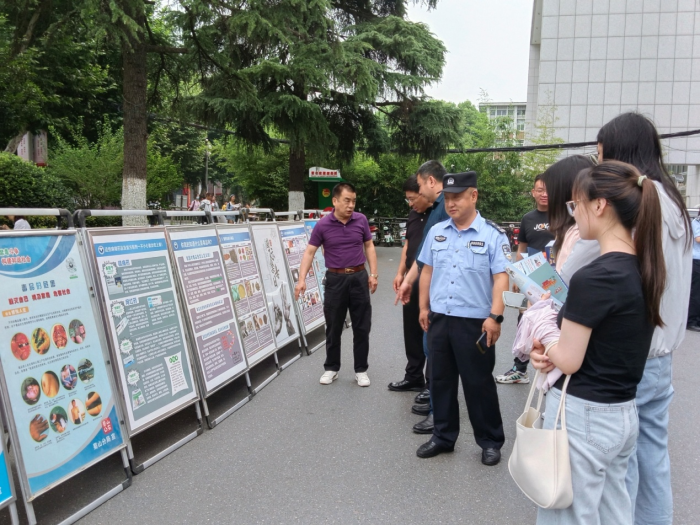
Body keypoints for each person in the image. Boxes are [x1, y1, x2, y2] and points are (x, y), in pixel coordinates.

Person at [531, 160, 667, 524]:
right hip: (622, 411)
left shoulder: (595, 276)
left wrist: (546, 340)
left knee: (567, 516)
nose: (574, 214)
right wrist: (555, 351)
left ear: (599, 205)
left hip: (582, 413)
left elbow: (569, 360)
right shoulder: (645, 268)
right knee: (613, 513)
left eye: (575, 205)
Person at [596, 112, 692, 525]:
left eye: (602, 155)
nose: (599, 164)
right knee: (652, 457)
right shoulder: (673, 201)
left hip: (628, 355)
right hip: (662, 354)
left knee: (622, 465)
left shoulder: (631, 205)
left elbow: (590, 269)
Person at [414, 171, 509, 465]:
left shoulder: (492, 235)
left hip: (475, 322)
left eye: (457, 197)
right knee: (440, 380)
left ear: (473, 196)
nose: (451, 204)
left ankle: (490, 441)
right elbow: (427, 271)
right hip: (440, 318)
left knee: (478, 384)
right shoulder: (437, 231)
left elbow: (501, 278)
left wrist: (495, 317)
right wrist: (423, 308)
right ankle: (443, 436)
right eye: (448, 198)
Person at [294, 182, 378, 387]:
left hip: (359, 277)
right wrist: (301, 279)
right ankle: (331, 368)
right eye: (346, 201)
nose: (351, 205)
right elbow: (310, 252)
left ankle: (361, 370)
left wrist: (373, 274)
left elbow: (369, 246)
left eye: (354, 201)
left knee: (362, 326)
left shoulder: (361, 220)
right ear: (335, 201)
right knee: (333, 326)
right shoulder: (323, 225)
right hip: (335, 279)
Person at [395, 160, 450, 434]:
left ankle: (439, 410)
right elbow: (420, 254)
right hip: (427, 285)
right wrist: (406, 279)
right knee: (428, 343)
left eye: (417, 187)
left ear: (430, 182)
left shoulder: (443, 208)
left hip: (443, 290)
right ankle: (436, 408)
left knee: (438, 350)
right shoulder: (432, 211)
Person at [496, 173, 554, 385]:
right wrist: (517, 277)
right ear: (533, 193)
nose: (544, 194)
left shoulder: (563, 216)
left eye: (548, 190)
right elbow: (521, 249)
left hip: (556, 281)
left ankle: (555, 367)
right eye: (540, 190)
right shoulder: (528, 218)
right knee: (525, 321)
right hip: (531, 280)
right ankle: (520, 369)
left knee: (553, 323)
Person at [389, 175, 432, 393]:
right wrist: (400, 273)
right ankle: (413, 376)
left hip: (431, 281)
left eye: (413, 199)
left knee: (430, 329)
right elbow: (407, 245)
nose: (411, 204)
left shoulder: (439, 215)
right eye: (408, 199)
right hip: (410, 280)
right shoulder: (413, 214)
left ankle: (431, 383)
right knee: (411, 329)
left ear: (424, 193)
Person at [689, 214, 700, 331]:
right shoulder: (696, 222)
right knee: (696, 292)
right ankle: (691, 320)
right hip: (697, 260)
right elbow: (698, 239)